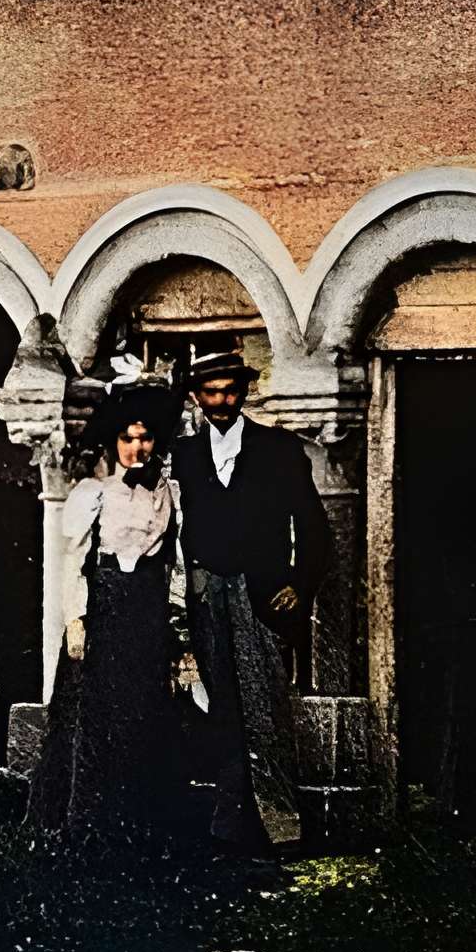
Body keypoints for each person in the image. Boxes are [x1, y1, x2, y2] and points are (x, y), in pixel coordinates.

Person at [168, 347, 332, 853]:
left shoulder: (278, 450)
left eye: (230, 392)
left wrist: (298, 585)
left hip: (262, 596)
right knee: (221, 706)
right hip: (205, 594)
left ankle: (281, 826)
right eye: (210, 393)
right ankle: (228, 825)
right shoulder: (183, 456)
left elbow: (315, 529)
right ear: (196, 397)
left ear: (244, 393)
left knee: (266, 706)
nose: (221, 402)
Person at [29, 382, 192, 851]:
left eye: (145, 438)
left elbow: (176, 563)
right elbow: (74, 561)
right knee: (93, 714)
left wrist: (176, 625)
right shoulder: (94, 493)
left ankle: (139, 824)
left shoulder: (170, 494)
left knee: (142, 712)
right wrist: (75, 620)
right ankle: (83, 823)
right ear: (113, 442)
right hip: (103, 609)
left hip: (147, 609)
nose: (136, 448)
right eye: (127, 438)